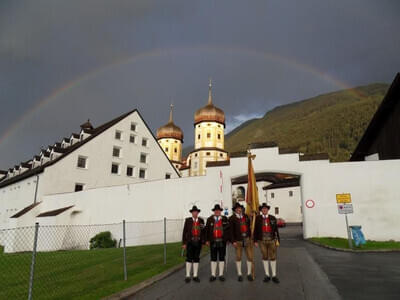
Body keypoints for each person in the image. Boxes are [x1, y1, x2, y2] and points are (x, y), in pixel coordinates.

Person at [254, 203, 280, 283]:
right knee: (264, 256)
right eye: (263, 209)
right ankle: (267, 275)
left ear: (268, 210)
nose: (264, 210)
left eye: (265, 209)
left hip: (271, 240)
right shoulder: (257, 218)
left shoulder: (272, 218)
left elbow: (276, 230)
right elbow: (255, 230)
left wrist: (278, 239)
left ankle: (274, 275)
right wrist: (255, 240)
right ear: (261, 210)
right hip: (261, 241)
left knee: (273, 257)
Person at [205, 204, 230, 282]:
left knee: (222, 257)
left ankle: (221, 275)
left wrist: (228, 239)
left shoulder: (225, 219)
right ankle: (213, 275)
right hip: (213, 241)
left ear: (220, 211)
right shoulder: (209, 220)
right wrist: (207, 240)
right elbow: (207, 231)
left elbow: (228, 230)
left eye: (218, 210)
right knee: (213, 258)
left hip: (222, 241)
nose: (217, 212)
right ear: (214, 211)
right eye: (216, 210)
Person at [229, 202, 254, 281]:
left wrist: (250, 237)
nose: (239, 209)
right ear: (235, 210)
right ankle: (239, 274)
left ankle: (249, 273)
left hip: (247, 239)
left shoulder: (246, 217)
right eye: (237, 209)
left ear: (241, 209)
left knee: (250, 257)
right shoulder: (232, 218)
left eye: (240, 208)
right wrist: (233, 241)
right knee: (238, 257)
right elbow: (231, 231)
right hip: (238, 241)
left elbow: (250, 227)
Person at [182, 205, 205, 283]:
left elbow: (203, 232)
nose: (195, 213)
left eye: (196, 212)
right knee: (189, 258)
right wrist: (184, 243)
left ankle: (195, 275)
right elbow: (184, 232)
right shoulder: (188, 221)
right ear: (192, 213)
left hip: (198, 242)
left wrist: (203, 242)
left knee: (196, 258)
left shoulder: (201, 221)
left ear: (198, 213)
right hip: (190, 242)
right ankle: (188, 275)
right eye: (193, 212)